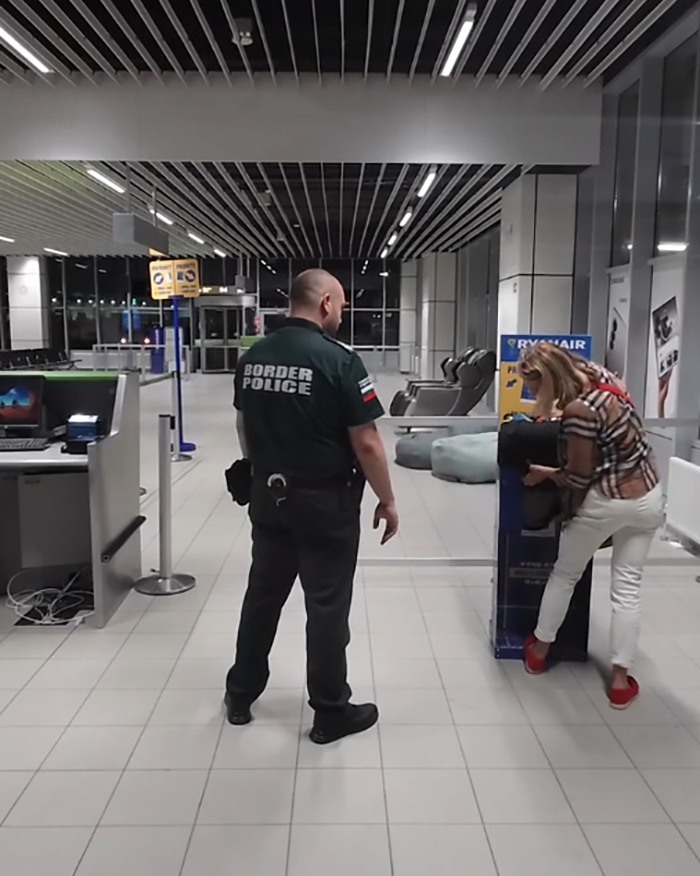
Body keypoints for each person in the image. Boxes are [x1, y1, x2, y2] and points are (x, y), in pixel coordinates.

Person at [225, 268, 399, 744]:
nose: (341, 313)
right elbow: (367, 443)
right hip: (325, 505)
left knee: (262, 598)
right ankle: (329, 711)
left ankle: (240, 694)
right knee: (326, 608)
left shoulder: (254, 357)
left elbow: (244, 426)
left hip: (268, 498)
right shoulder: (339, 360)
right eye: (340, 304)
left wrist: (255, 466)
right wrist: (387, 499)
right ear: (325, 303)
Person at [518, 341, 663, 709]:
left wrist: (545, 474)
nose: (532, 394)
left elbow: (578, 478)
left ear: (548, 379)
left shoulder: (580, 411)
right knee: (627, 587)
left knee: (565, 574)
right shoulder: (603, 377)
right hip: (646, 496)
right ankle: (619, 680)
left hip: (606, 500)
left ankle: (539, 650)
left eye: (534, 387)